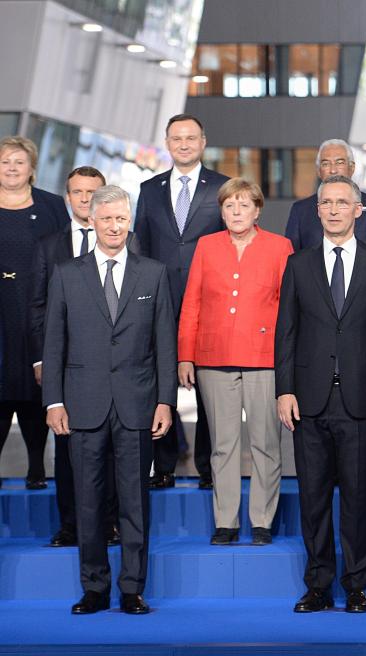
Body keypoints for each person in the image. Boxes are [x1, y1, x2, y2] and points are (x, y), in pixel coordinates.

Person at [42, 185, 177, 615]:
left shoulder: (153, 273)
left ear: (129, 222)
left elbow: (165, 345)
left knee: (135, 501)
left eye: (122, 218)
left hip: (138, 405)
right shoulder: (66, 273)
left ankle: (132, 588)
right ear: (93, 221)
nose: (115, 226)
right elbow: (54, 344)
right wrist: (53, 402)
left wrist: (165, 401)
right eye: (107, 219)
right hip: (82, 405)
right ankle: (94, 588)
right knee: (88, 499)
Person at [275, 174, 366, 614]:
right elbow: (285, 332)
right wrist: (284, 389)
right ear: (318, 209)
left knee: (359, 498)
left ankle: (357, 585)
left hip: (362, 400)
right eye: (325, 202)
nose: (332, 209)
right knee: (312, 499)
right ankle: (318, 585)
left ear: (358, 210)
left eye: (341, 202)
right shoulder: (299, 264)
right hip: (308, 400)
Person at [177, 178, 292, 546]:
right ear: (221, 211)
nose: (236, 212)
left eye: (244, 205)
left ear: (258, 210)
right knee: (222, 446)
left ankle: (261, 520)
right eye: (229, 206)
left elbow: (289, 309)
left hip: (264, 358)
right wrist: (185, 355)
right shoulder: (207, 247)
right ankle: (225, 521)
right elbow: (191, 302)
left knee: (265, 443)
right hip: (213, 358)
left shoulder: (280, 247)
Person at [30, 166, 129, 548]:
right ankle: (71, 524)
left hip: (116, 370)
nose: (85, 198)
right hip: (69, 369)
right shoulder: (48, 246)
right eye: (77, 192)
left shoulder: (129, 244)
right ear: (67, 197)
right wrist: (43, 361)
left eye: (93, 192)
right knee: (69, 450)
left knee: (114, 455)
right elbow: (38, 309)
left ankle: (111, 523)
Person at [136, 113, 228, 490]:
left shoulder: (223, 187)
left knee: (208, 388)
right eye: (177, 138)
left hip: (210, 304)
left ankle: (208, 467)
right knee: (160, 386)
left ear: (203, 141)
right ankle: (165, 465)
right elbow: (139, 244)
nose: (184, 144)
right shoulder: (149, 189)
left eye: (191, 137)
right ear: (168, 143)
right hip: (158, 302)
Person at [0, 136, 69, 489]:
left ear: (32, 169)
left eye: (19, 162)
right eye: (5, 161)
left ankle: (37, 468)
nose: (11, 168)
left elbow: (64, 253)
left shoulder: (53, 205)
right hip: (1, 312)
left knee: (34, 385)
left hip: (37, 306)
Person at [284, 139, 366, 249]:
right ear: (318, 171)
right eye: (325, 164)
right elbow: (292, 258)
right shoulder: (301, 210)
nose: (333, 170)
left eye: (339, 163)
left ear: (352, 168)